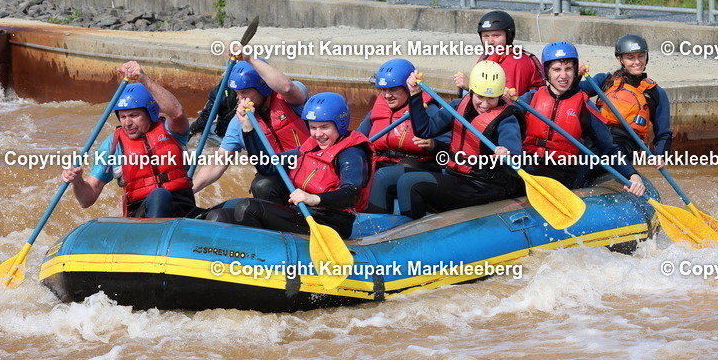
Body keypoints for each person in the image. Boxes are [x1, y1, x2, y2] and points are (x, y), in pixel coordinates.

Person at [202, 92, 374, 239]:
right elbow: (267, 166)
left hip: (330, 222)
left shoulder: (351, 152)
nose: (318, 134)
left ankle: (267, 253)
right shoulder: (310, 146)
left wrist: (313, 198)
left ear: (341, 124)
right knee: (218, 216)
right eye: (313, 128)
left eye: (325, 127)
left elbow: (352, 194)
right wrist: (248, 127)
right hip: (302, 213)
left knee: (248, 208)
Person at [61, 62, 196, 218]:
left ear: (151, 113)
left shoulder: (172, 131)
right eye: (123, 117)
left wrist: (143, 78)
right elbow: (87, 199)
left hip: (184, 211)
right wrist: (77, 181)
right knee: (160, 195)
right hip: (142, 215)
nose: (127, 123)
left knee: (223, 214)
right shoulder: (113, 146)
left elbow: (177, 113)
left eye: (134, 115)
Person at [395, 61, 525, 220]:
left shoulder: (507, 120)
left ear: (499, 96)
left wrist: (507, 154)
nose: (484, 104)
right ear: (471, 92)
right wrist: (415, 94)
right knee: (384, 177)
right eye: (480, 96)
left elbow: (515, 156)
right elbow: (425, 130)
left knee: (409, 183)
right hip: (456, 176)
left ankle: (410, 237)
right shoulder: (457, 106)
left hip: (484, 187)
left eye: (491, 98)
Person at [518, 42, 645, 196]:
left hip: (561, 171)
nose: (563, 75)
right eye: (557, 69)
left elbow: (609, 149)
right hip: (529, 163)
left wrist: (633, 175)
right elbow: (500, 122)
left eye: (568, 69)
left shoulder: (584, 106)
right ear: (547, 72)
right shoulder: (529, 99)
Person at [191, 57, 309, 205]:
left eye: (245, 92)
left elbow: (287, 87)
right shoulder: (238, 122)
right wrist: (190, 190)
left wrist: (248, 58)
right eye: (237, 94)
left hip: (311, 171)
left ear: (263, 87)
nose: (240, 100)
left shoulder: (290, 98)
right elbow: (218, 162)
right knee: (261, 185)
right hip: (280, 182)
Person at [355, 59, 449, 214]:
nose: (386, 96)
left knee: (404, 166)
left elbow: (447, 150)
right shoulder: (378, 111)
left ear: (407, 88)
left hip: (415, 167)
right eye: (383, 90)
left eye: (393, 90)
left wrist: (433, 144)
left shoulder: (429, 110)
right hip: (382, 165)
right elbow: (357, 138)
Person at [581, 34, 672, 166]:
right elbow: (573, 92)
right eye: (630, 58)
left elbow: (663, 133)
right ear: (620, 59)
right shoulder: (605, 81)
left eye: (641, 56)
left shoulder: (655, 92)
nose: (637, 62)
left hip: (624, 146)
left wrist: (660, 156)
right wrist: (576, 73)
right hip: (596, 138)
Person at [454, 11, 543, 98]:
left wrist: (470, 87)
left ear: (508, 36)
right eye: (486, 36)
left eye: (496, 36)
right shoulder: (488, 56)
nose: (490, 41)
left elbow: (508, 102)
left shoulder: (517, 61)